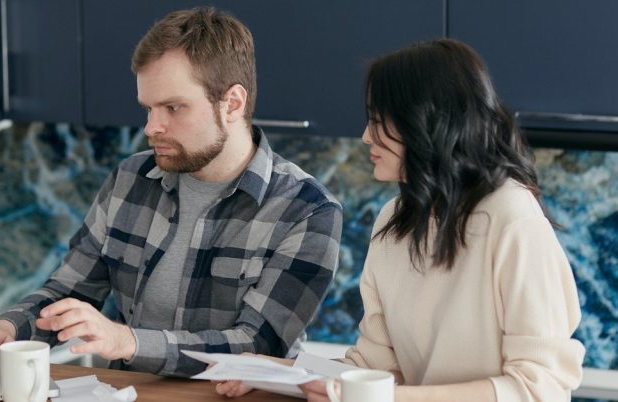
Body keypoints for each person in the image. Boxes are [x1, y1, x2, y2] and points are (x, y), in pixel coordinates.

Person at [0, 7, 342, 377]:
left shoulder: (307, 211)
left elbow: (259, 346)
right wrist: (6, 326)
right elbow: (70, 291)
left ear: (232, 103)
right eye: (148, 108)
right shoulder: (131, 178)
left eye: (173, 108)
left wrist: (128, 342)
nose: (151, 127)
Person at [215, 38, 585, 401]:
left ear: (427, 122)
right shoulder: (394, 221)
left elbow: (540, 388)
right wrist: (279, 373)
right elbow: (376, 366)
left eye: (378, 120)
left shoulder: (512, 217)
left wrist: (387, 398)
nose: (364, 136)